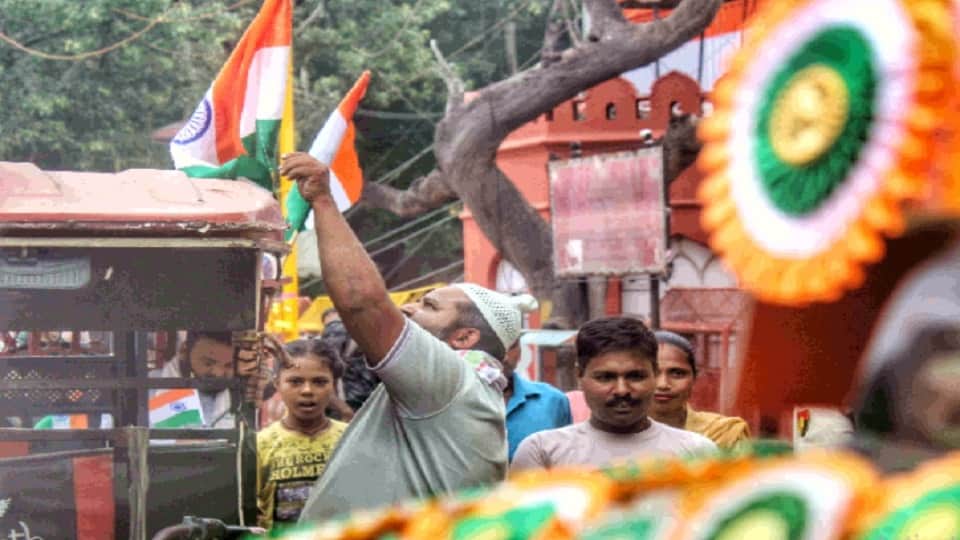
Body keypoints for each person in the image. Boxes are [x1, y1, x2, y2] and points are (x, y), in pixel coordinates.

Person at [281, 152, 538, 522]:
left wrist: (323, 200)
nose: (407, 309)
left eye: (429, 306)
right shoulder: (458, 385)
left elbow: (362, 304)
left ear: (464, 338)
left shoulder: (453, 381)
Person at [511, 317, 716, 471]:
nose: (622, 390)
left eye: (635, 376)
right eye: (606, 377)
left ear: (654, 373)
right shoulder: (542, 451)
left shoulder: (697, 452)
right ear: (580, 376)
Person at [257, 339, 348, 530]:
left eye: (319, 382)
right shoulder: (261, 444)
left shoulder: (350, 439)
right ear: (277, 384)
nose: (307, 391)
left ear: (333, 385)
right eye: (295, 381)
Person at [650, 331, 750, 450]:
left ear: (695, 378)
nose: (663, 384)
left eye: (677, 373)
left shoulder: (724, 433)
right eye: (653, 373)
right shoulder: (622, 436)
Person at [151, 331, 264, 429]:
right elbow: (174, 444)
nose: (218, 373)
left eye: (228, 365)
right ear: (184, 352)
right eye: (208, 363)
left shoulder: (238, 386)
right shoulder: (152, 385)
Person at [502, 342, 572, 461]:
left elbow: (565, 462)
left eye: (512, 346)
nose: (504, 357)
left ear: (520, 351)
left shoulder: (553, 400)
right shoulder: (460, 401)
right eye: (493, 344)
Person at [320, 308, 380, 412]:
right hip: (369, 394)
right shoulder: (364, 329)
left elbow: (329, 362)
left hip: (348, 396)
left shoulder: (334, 329)